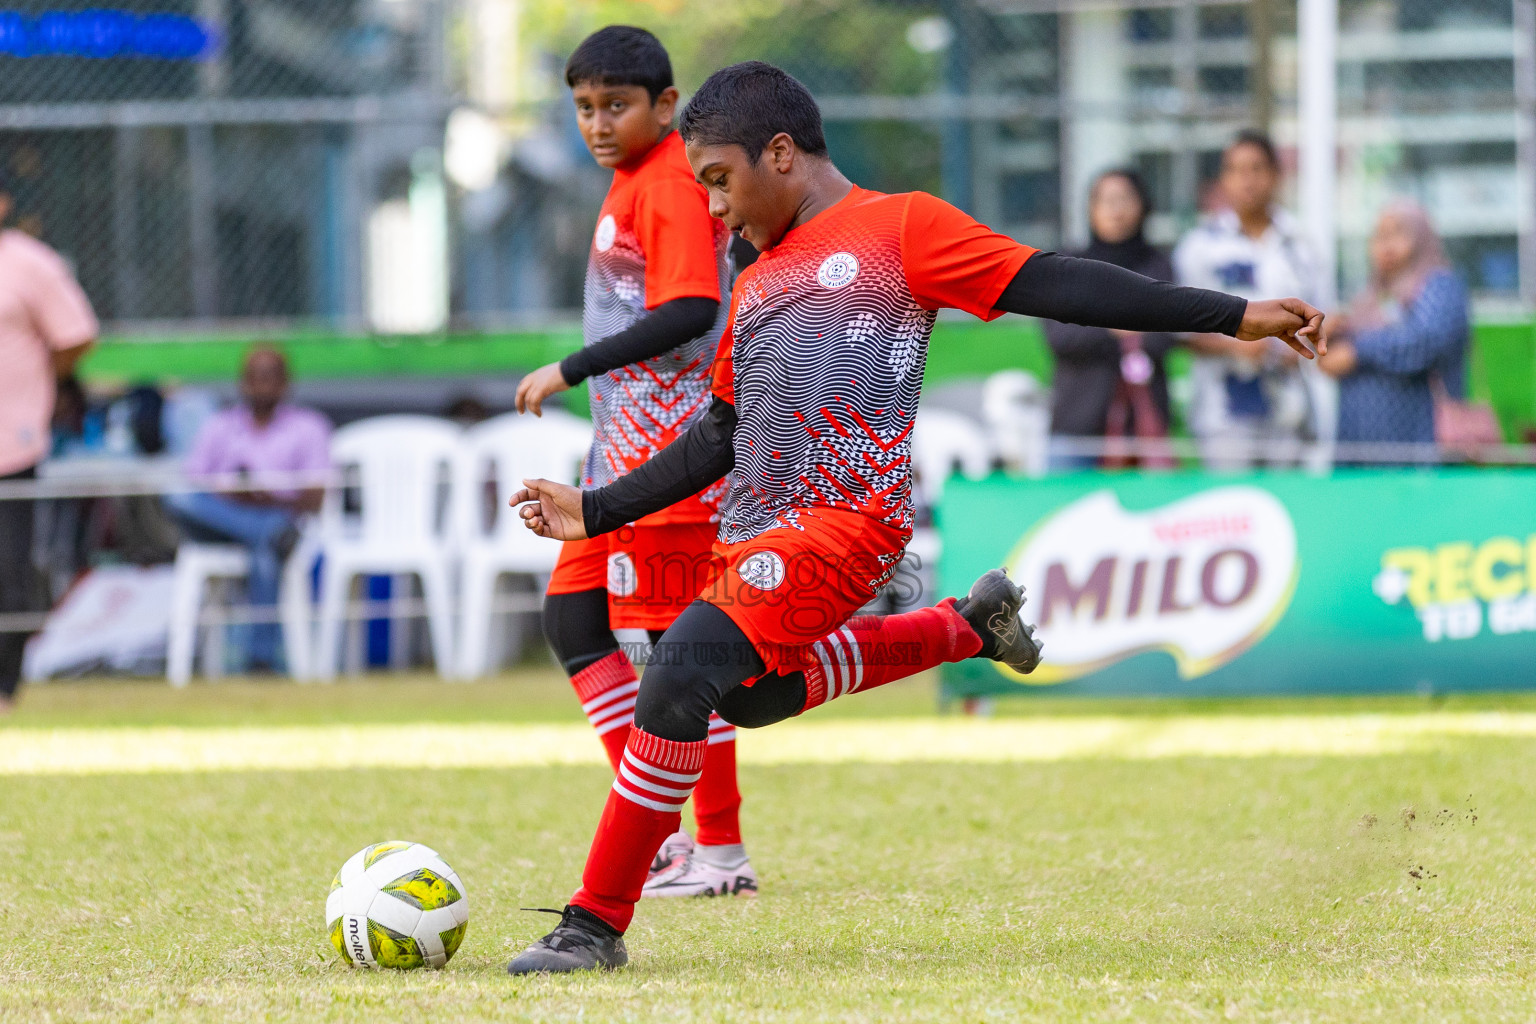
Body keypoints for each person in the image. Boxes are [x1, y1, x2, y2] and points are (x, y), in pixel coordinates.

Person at [503, 61, 1326, 974]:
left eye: (720, 181)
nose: (716, 209)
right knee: (748, 693)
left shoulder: (904, 228)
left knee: (677, 673)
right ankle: (964, 628)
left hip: (847, 523)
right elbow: (723, 431)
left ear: (781, 153)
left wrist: (1234, 315)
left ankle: (591, 925)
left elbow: (1056, 282)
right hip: (760, 529)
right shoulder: (757, 272)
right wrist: (599, 508)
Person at [511, 26, 756, 898]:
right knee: (575, 624)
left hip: (669, 465)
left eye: (617, 105)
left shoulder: (669, 186)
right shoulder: (629, 183)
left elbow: (692, 306)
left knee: (680, 659)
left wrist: (571, 367)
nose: (598, 123)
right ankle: (656, 834)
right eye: (584, 107)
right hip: (618, 457)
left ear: (665, 105)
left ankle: (718, 850)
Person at [165, 347, 330, 673]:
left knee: (266, 551)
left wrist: (263, 499)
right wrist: (236, 498)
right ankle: (266, 530)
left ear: (286, 383)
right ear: (242, 383)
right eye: (254, 377)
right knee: (178, 496)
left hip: (282, 519)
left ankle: (260, 662)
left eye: (270, 377)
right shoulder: (219, 425)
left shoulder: (309, 427)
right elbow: (193, 485)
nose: (261, 385)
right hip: (220, 524)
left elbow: (315, 498)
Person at [0, 174, 98, 713]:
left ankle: (5, 686)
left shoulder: (29, 263)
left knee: (9, 570)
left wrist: (40, 384)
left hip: (9, 446)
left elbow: (76, 334)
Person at [1174, 131, 1331, 469]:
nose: (1247, 180)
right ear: (1223, 179)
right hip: (1223, 413)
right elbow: (1180, 331)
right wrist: (1235, 345)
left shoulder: (1300, 245)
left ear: (1276, 175)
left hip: (1289, 409)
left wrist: (1297, 343)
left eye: (1257, 168)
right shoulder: (1200, 248)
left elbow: (1322, 317)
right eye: (1236, 170)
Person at [1044, 169, 1176, 469]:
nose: (1116, 210)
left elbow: (1164, 335)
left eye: (1124, 199)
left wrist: (1095, 323)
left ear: (1143, 206)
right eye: (1106, 200)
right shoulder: (1066, 265)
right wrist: (1123, 328)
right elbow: (1062, 337)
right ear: (1091, 209)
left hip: (1143, 429)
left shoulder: (1158, 266)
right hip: (1077, 427)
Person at [1319, 200, 1471, 458]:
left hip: (1417, 448)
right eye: (1380, 236)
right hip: (1361, 452)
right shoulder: (1370, 297)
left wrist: (1356, 351)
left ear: (1421, 237)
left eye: (1398, 233)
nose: (1387, 245)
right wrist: (1331, 338)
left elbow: (1424, 342)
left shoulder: (1438, 286)